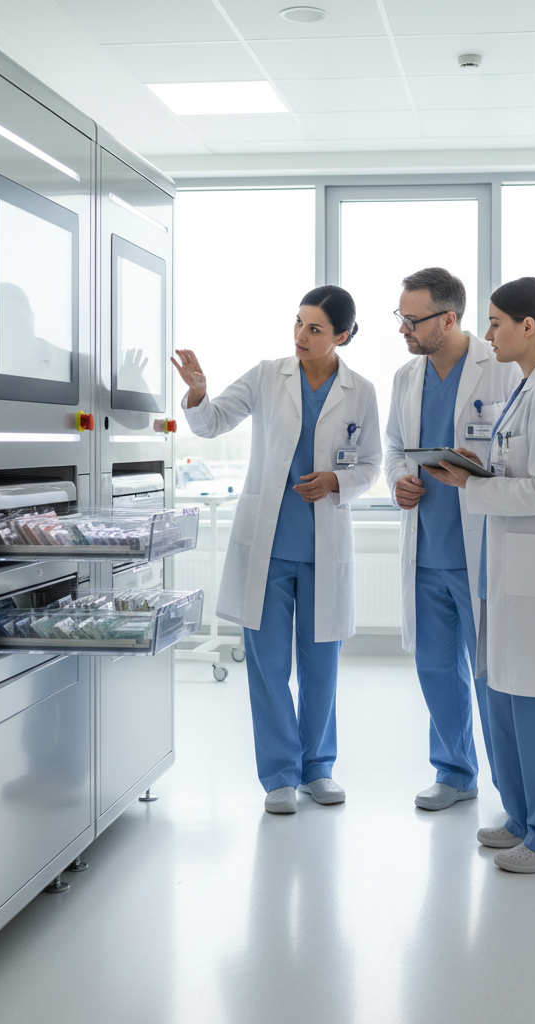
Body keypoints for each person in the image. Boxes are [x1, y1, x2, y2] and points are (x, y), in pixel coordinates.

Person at [171, 285, 381, 814]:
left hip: (322, 543)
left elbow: (371, 464)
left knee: (320, 665)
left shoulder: (361, 390)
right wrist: (198, 391)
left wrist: (336, 480)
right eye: (298, 323)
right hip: (267, 544)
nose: (300, 336)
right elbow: (213, 421)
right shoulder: (269, 375)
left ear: (343, 336)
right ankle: (280, 775)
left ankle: (319, 768)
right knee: (267, 666)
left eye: (315, 328)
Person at [430, 276, 535, 873]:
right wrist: (480, 472)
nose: (490, 332)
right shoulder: (530, 387)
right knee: (507, 693)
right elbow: (520, 472)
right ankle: (527, 820)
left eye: (497, 322)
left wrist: (476, 484)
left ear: (530, 327)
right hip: (514, 568)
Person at [384, 268, 520, 812]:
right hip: (427, 551)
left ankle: (512, 790)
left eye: (411, 320)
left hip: (481, 552)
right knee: (437, 670)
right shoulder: (405, 378)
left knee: (492, 677)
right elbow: (394, 448)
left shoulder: (500, 369)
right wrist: (399, 479)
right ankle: (454, 771)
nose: (403, 329)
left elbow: (517, 453)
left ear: (449, 318)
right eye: (400, 317)